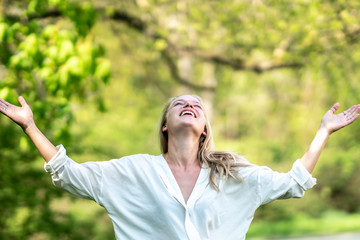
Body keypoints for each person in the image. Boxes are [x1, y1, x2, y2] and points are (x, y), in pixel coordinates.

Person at [1, 94, 359, 240]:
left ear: (204, 128)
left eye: (197, 105)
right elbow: (69, 174)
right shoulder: (133, 172)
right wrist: (30, 127)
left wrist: (323, 132)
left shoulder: (233, 173)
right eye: (179, 104)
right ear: (165, 125)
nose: (189, 105)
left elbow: (294, 183)